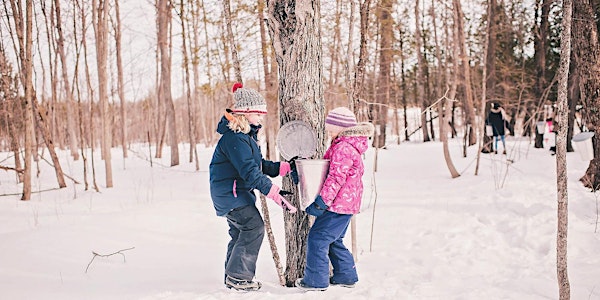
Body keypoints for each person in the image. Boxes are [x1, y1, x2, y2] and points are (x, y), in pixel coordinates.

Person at [209, 83, 297, 291]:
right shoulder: (236, 139)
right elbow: (250, 172)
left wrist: (283, 168)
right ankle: (239, 278)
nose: (261, 118)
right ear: (246, 114)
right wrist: (274, 193)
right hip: (231, 195)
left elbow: (257, 165)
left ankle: (232, 276)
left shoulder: (245, 137)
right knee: (253, 227)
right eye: (258, 114)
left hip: (233, 194)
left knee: (240, 233)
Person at [295, 107, 374, 291]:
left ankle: (315, 281)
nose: (328, 131)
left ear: (343, 128)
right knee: (334, 240)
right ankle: (345, 275)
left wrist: (322, 202)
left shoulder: (343, 148)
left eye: (332, 128)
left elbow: (336, 178)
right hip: (346, 204)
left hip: (338, 205)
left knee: (317, 239)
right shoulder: (346, 145)